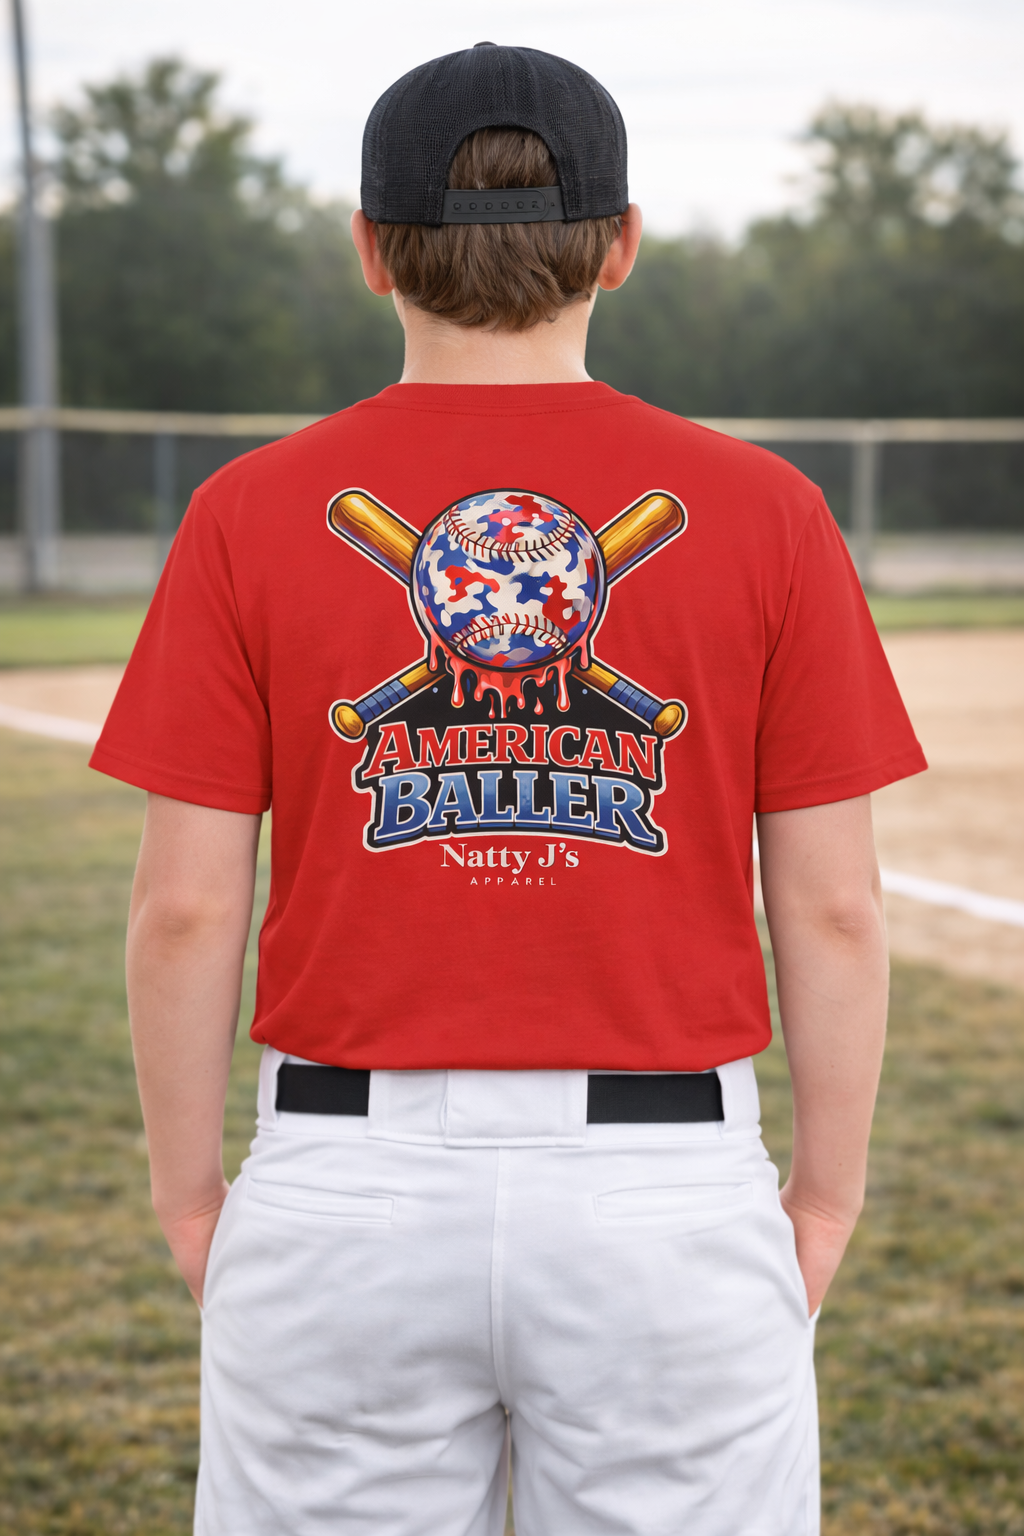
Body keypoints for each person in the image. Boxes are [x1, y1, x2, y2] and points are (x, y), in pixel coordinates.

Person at [91, 42, 926, 1536]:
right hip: (665, 1198)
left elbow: (182, 909)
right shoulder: (769, 512)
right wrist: (826, 1199)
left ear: (366, 249)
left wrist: (191, 1197)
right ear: (622, 243)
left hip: (342, 1188)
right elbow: (842, 911)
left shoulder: (245, 513)